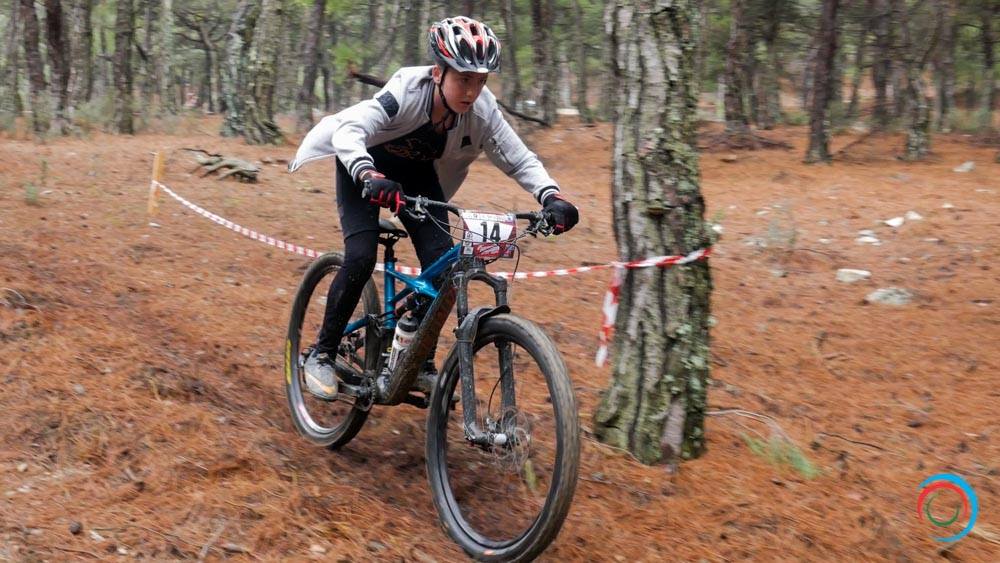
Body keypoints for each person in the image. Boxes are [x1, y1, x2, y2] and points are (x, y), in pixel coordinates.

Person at [288, 16, 579, 399]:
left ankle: (415, 357)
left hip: (416, 178)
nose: (472, 91)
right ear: (438, 72)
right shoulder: (406, 90)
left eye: (481, 81)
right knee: (360, 257)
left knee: (444, 275)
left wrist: (551, 196)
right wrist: (367, 174)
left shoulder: (483, 110)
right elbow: (350, 130)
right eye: (464, 79)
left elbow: (518, 158)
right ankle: (322, 354)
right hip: (365, 168)